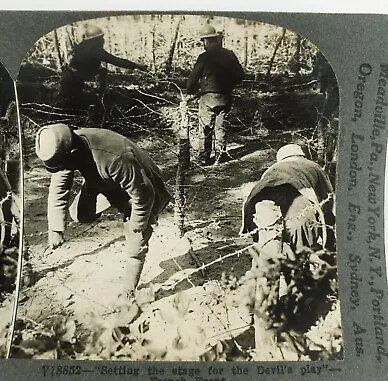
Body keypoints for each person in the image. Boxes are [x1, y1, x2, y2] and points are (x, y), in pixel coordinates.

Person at [35, 123, 172, 297]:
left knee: (136, 242)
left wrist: (137, 225)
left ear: (73, 154)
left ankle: (128, 291)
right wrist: (56, 228)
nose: (62, 170)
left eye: (63, 166)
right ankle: (111, 195)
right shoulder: (66, 145)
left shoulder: (114, 157)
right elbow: (58, 188)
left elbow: (144, 194)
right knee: (78, 213)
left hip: (143, 185)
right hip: (107, 180)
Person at [240, 144, 336, 252]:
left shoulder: (271, 169)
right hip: (297, 199)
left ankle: (269, 254)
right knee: (298, 227)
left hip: (257, 201)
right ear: (302, 155)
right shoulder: (313, 166)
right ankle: (299, 254)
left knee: (269, 231)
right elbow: (328, 199)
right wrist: (329, 240)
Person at [186, 24, 244, 165]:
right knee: (221, 127)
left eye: (203, 41)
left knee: (205, 127)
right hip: (225, 97)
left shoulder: (204, 58)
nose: (203, 44)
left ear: (207, 41)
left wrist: (190, 91)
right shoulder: (230, 55)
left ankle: (204, 158)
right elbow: (240, 76)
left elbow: (192, 78)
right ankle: (219, 156)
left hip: (208, 98)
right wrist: (229, 85)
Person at [58, 24, 147, 109]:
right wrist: (136, 65)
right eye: (101, 38)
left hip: (69, 79)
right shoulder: (94, 49)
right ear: (96, 39)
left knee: (67, 103)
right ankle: (99, 100)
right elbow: (115, 61)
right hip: (74, 81)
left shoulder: (82, 46)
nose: (103, 40)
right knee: (71, 105)